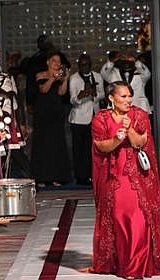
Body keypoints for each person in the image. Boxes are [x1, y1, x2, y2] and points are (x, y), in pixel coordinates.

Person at [90, 81, 160, 279]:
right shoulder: (101, 118)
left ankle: (135, 266)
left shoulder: (139, 115)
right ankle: (121, 262)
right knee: (118, 217)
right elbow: (101, 146)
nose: (128, 100)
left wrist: (130, 129)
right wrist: (117, 139)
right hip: (114, 175)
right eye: (123, 96)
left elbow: (141, 141)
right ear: (111, 98)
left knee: (139, 217)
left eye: (129, 96)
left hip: (136, 174)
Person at [32, 52, 71, 187]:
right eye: (54, 61)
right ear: (48, 62)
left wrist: (65, 79)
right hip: (43, 113)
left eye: (59, 61)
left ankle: (56, 176)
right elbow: (43, 89)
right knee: (42, 144)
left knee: (56, 144)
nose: (57, 64)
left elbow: (62, 92)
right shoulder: (40, 75)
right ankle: (41, 177)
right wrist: (53, 78)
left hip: (56, 112)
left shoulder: (60, 77)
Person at [69, 53, 104, 185]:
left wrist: (95, 94)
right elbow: (72, 99)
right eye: (82, 65)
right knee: (79, 149)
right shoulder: (74, 79)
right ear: (78, 65)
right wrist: (81, 96)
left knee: (94, 148)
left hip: (94, 116)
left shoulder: (98, 76)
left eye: (87, 64)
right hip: (79, 118)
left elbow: (103, 94)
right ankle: (80, 176)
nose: (85, 67)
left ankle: (93, 174)